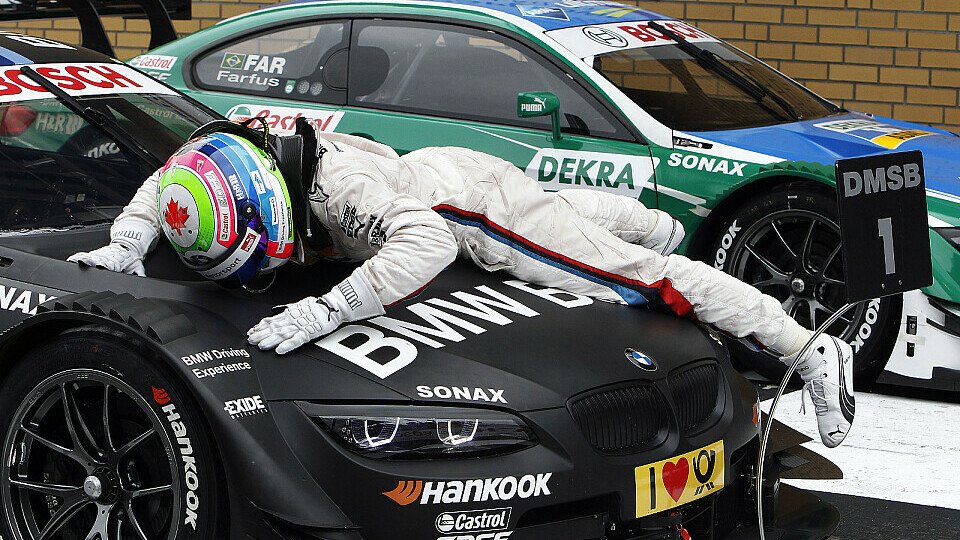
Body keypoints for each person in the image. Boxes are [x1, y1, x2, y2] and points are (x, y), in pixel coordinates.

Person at [68, 120, 854, 448]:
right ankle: (642, 219)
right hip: (441, 171)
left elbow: (429, 242)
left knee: (644, 281)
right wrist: (129, 241)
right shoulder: (221, 151)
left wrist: (324, 310)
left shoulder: (342, 197)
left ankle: (813, 351)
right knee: (586, 227)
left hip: (474, 212)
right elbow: (170, 179)